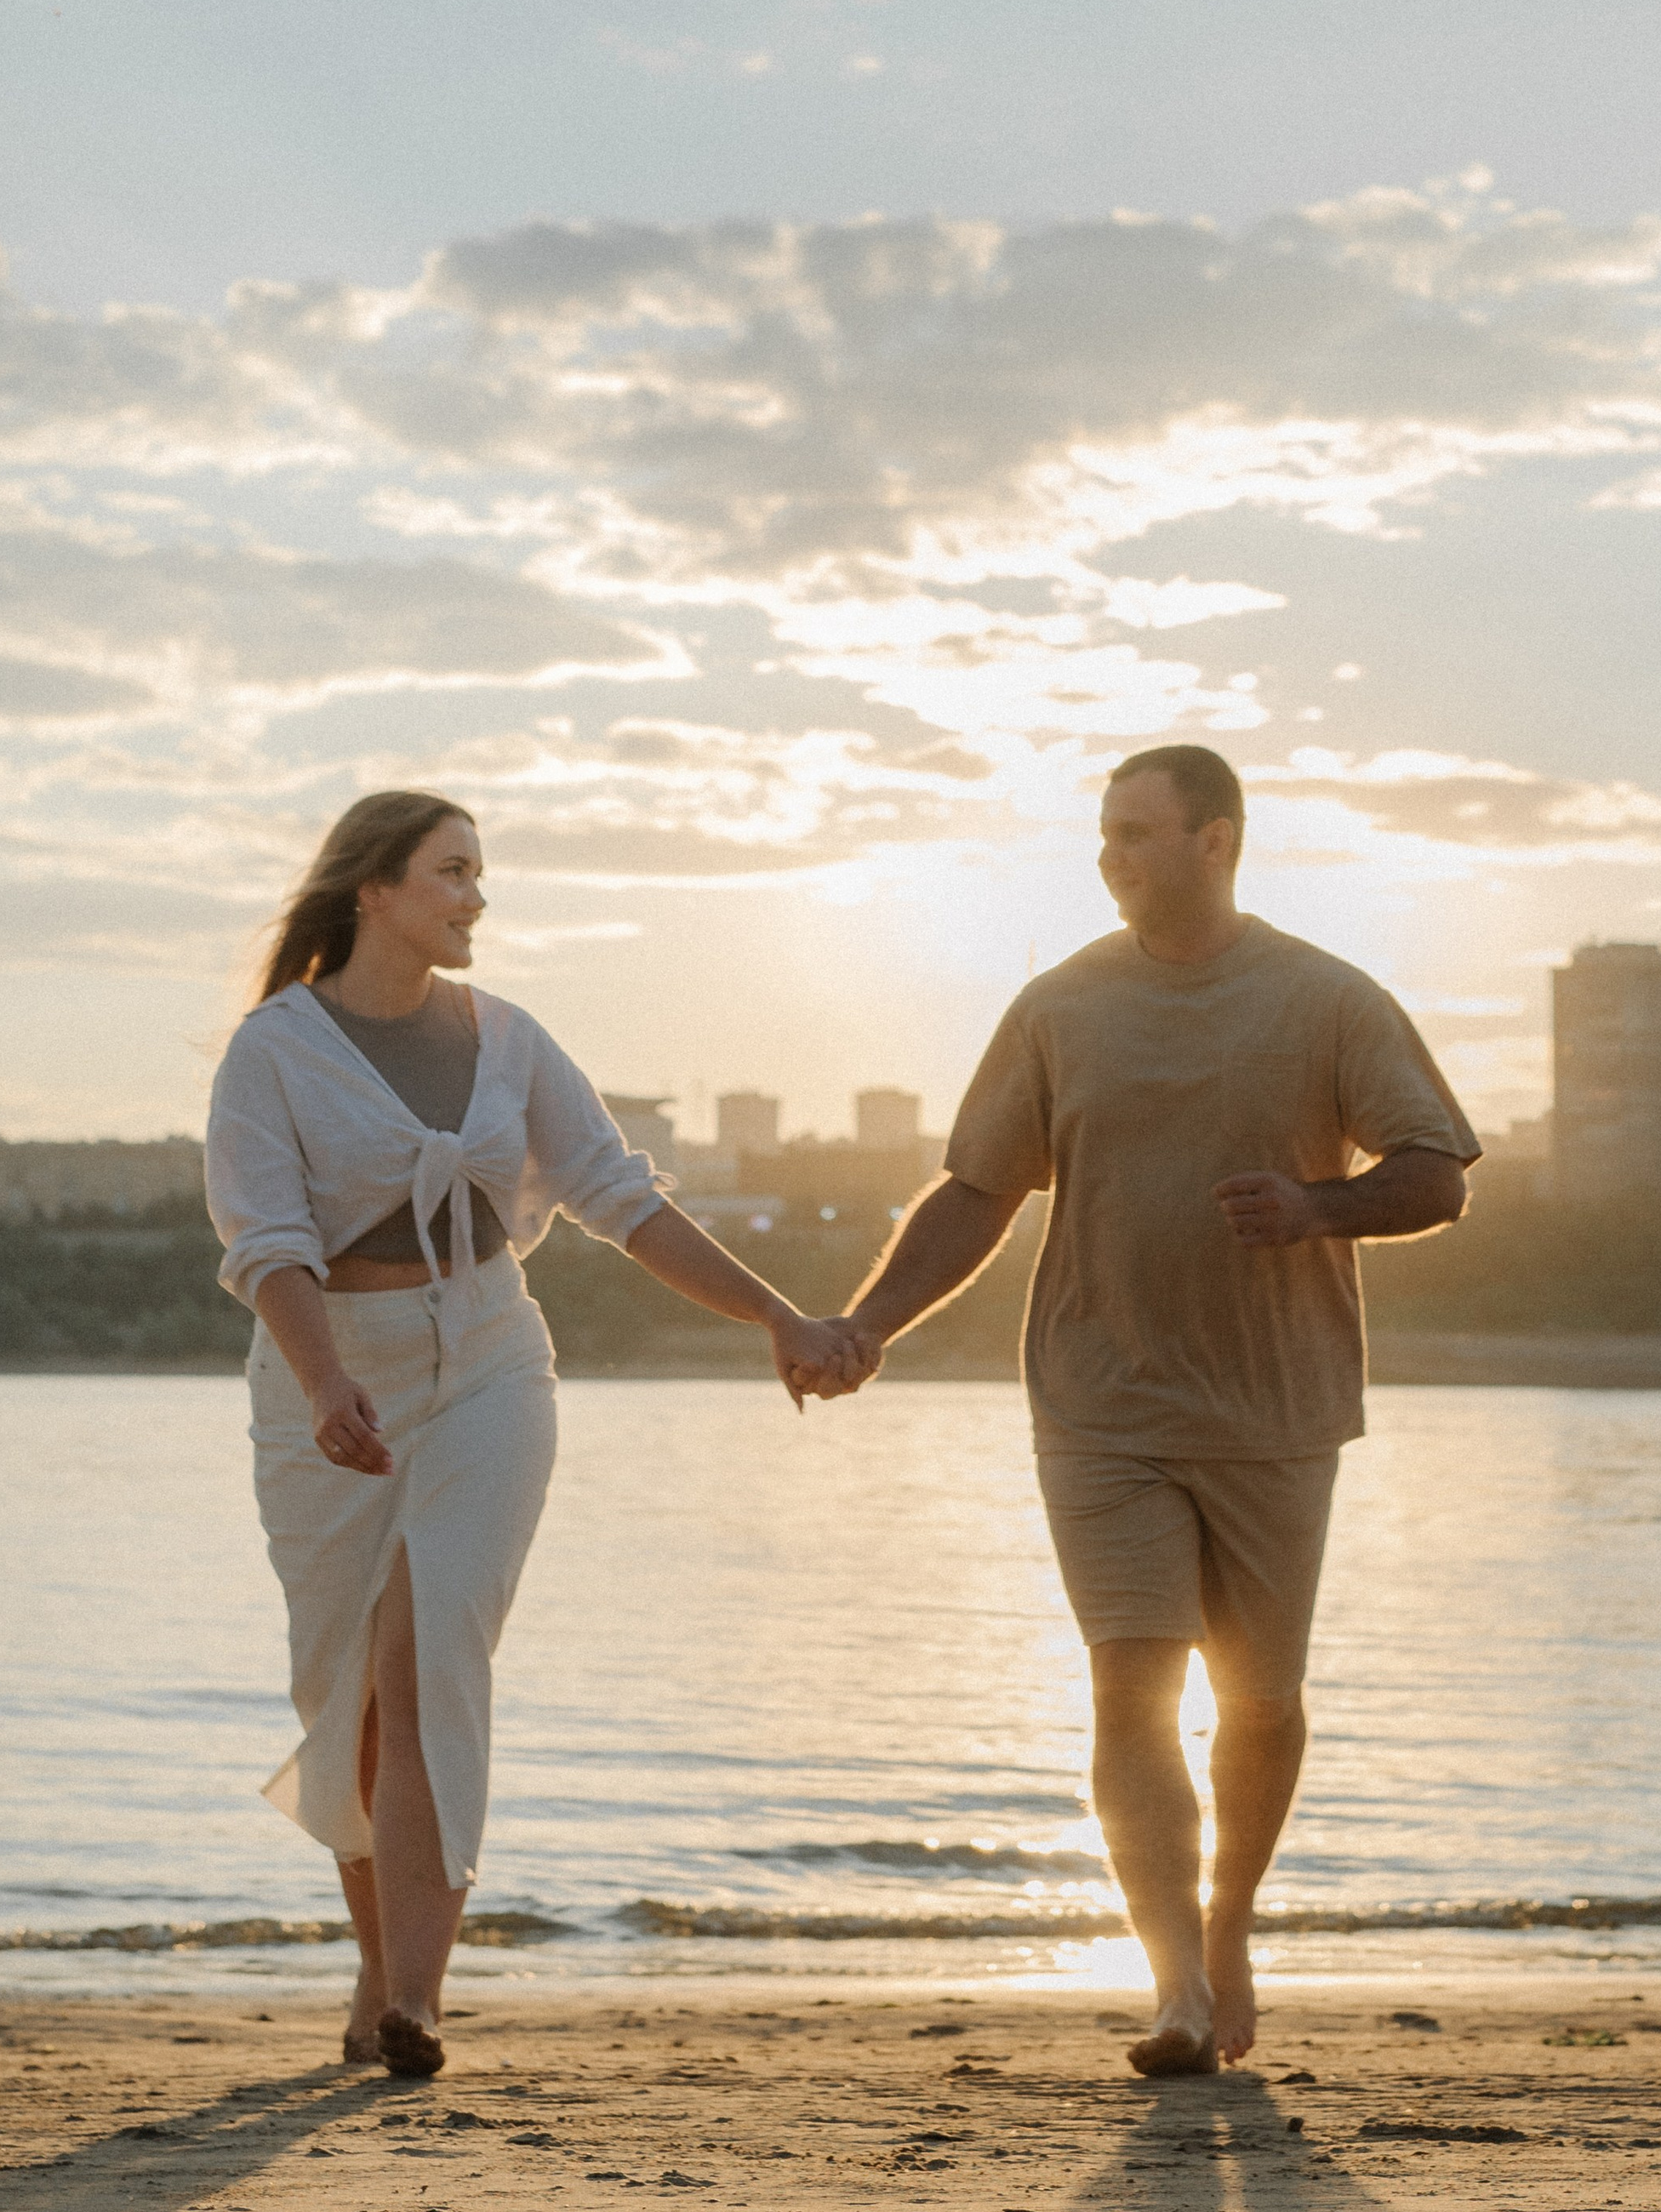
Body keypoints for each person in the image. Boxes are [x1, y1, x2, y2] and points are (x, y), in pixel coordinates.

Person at [824, 745, 1479, 2077]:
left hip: (1277, 1409)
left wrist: (1317, 1207)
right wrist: (865, 1326)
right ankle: (1177, 1982)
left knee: (1263, 1704)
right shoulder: (1062, 1007)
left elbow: (1438, 1175)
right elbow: (975, 1192)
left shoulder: (1327, 999)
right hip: (1098, 1399)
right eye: (1104, 835)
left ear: (1217, 842)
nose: (1111, 857)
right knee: (1132, 1678)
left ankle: (1228, 1920)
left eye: (1136, 834)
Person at [205, 789, 864, 2078]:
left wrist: (776, 1314)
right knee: (349, 1695)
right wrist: (329, 1381)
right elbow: (267, 1244)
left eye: (480, 875)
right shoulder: (272, 1051)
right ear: (371, 890)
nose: (475, 899)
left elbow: (625, 1198)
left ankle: (415, 2002)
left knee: (432, 1649)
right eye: (451, 873)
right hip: (326, 1377)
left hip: (493, 1364)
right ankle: (378, 1965)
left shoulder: (511, 1039)